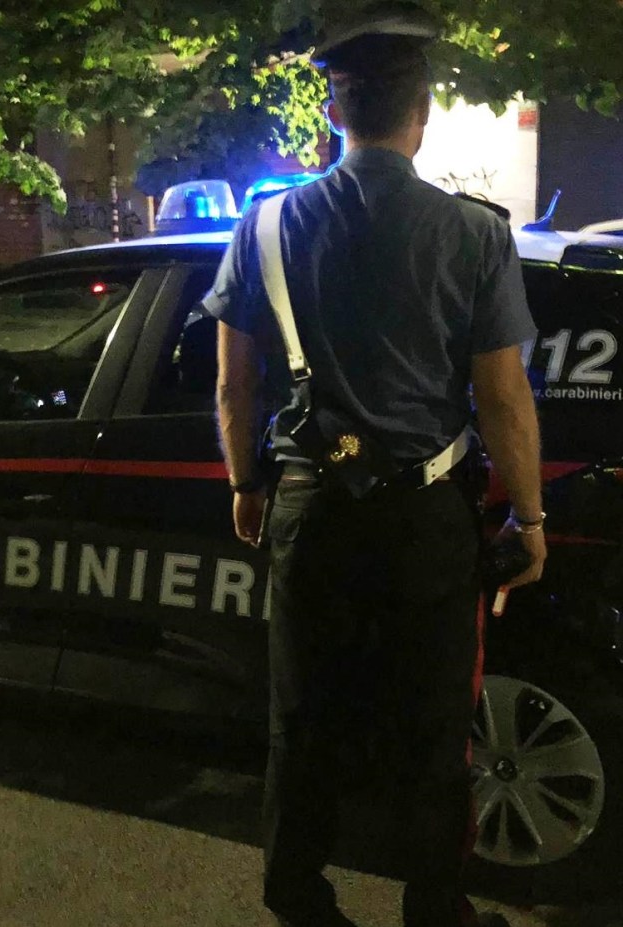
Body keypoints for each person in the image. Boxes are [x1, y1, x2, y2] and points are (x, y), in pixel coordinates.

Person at [205, 5, 546, 927]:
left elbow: (235, 384)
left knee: (301, 717)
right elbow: (502, 396)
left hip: (309, 509)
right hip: (426, 520)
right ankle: (434, 907)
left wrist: (246, 482)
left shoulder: (265, 226)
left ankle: (298, 897)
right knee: (434, 726)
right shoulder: (474, 233)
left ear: (334, 113)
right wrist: (530, 518)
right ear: (421, 114)